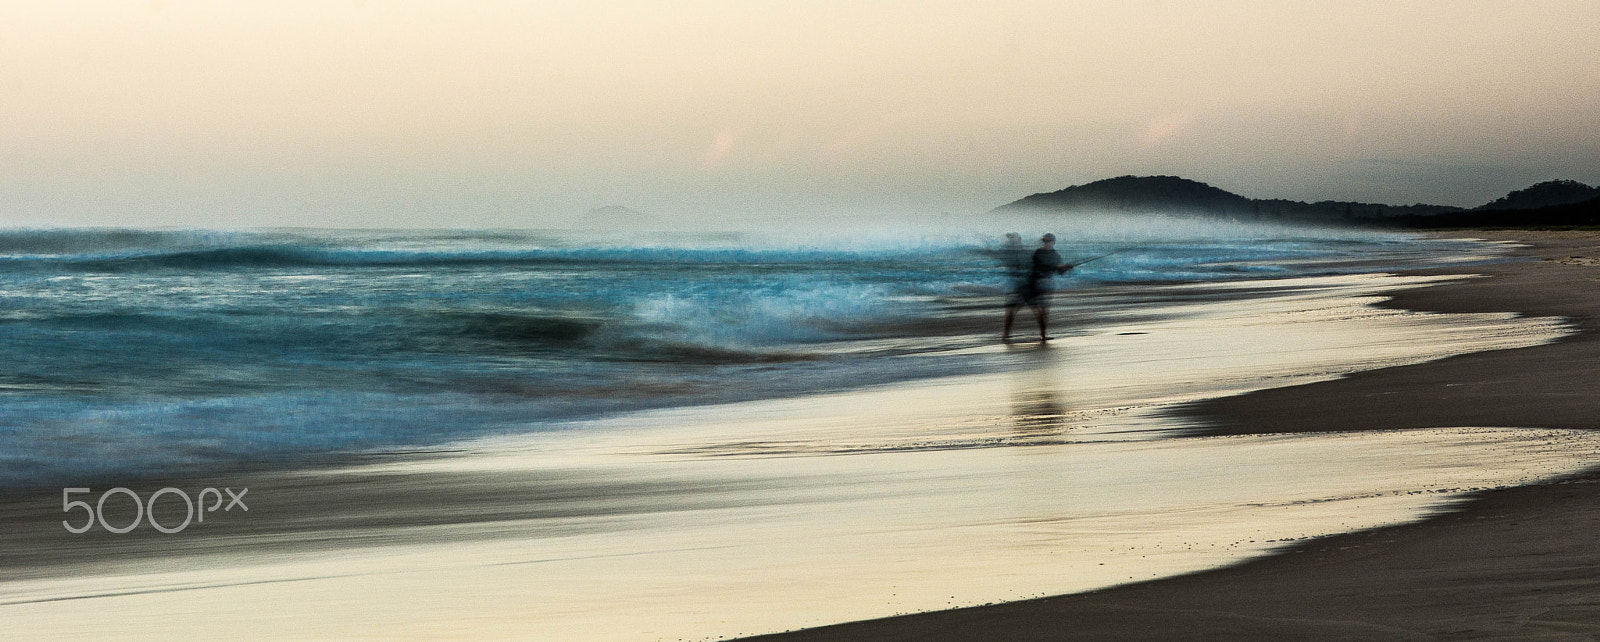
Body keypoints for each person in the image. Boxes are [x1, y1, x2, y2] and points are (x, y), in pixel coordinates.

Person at [1003, 233, 1072, 342]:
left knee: (1044, 311)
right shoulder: (1038, 253)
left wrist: (1065, 268)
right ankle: (1006, 335)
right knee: (1015, 308)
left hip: (1046, 284)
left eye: (1048, 241)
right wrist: (1058, 267)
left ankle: (1043, 335)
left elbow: (1059, 271)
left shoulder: (1056, 255)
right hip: (1033, 284)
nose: (1046, 243)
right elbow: (1039, 266)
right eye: (1045, 241)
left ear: (1053, 242)